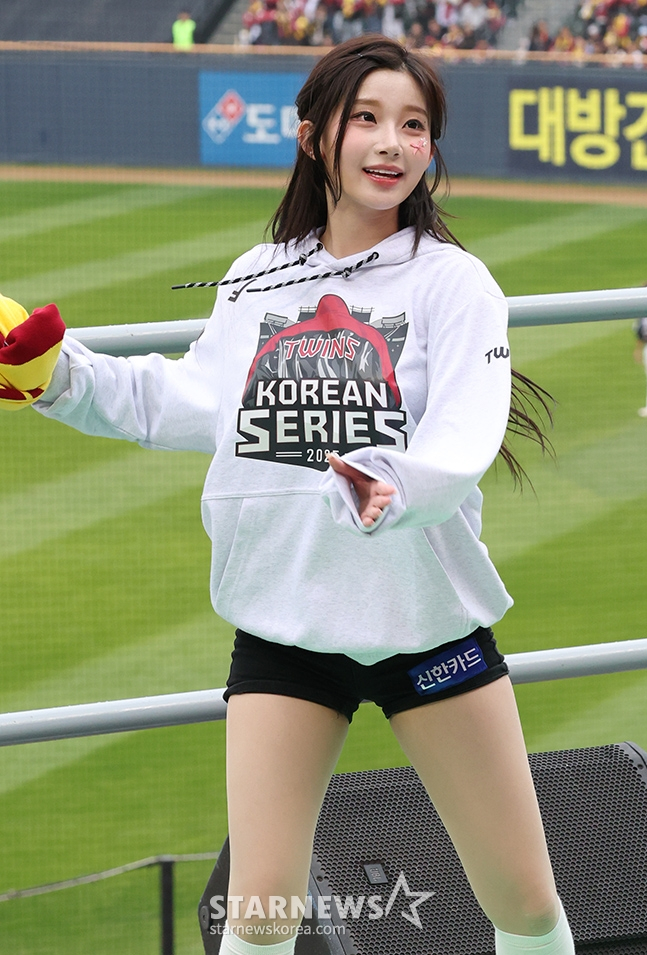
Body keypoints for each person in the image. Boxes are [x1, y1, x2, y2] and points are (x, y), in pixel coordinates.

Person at [2, 35, 574, 955]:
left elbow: (467, 432)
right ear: (315, 138)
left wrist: (393, 483)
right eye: (367, 119)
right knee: (259, 915)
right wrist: (54, 375)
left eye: (414, 124)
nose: (391, 143)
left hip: (424, 632)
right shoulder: (255, 275)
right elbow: (184, 403)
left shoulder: (454, 284)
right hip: (284, 635)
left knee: (526, 907)